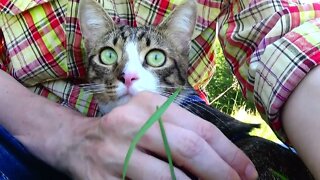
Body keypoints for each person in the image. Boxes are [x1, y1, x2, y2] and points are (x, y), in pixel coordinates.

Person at [0, 0, 319, 179]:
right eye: (109, 55)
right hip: (22, 132)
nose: (127, 75)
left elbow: (289, 30)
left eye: (154, 57)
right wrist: (66, 135)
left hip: (180, 108)